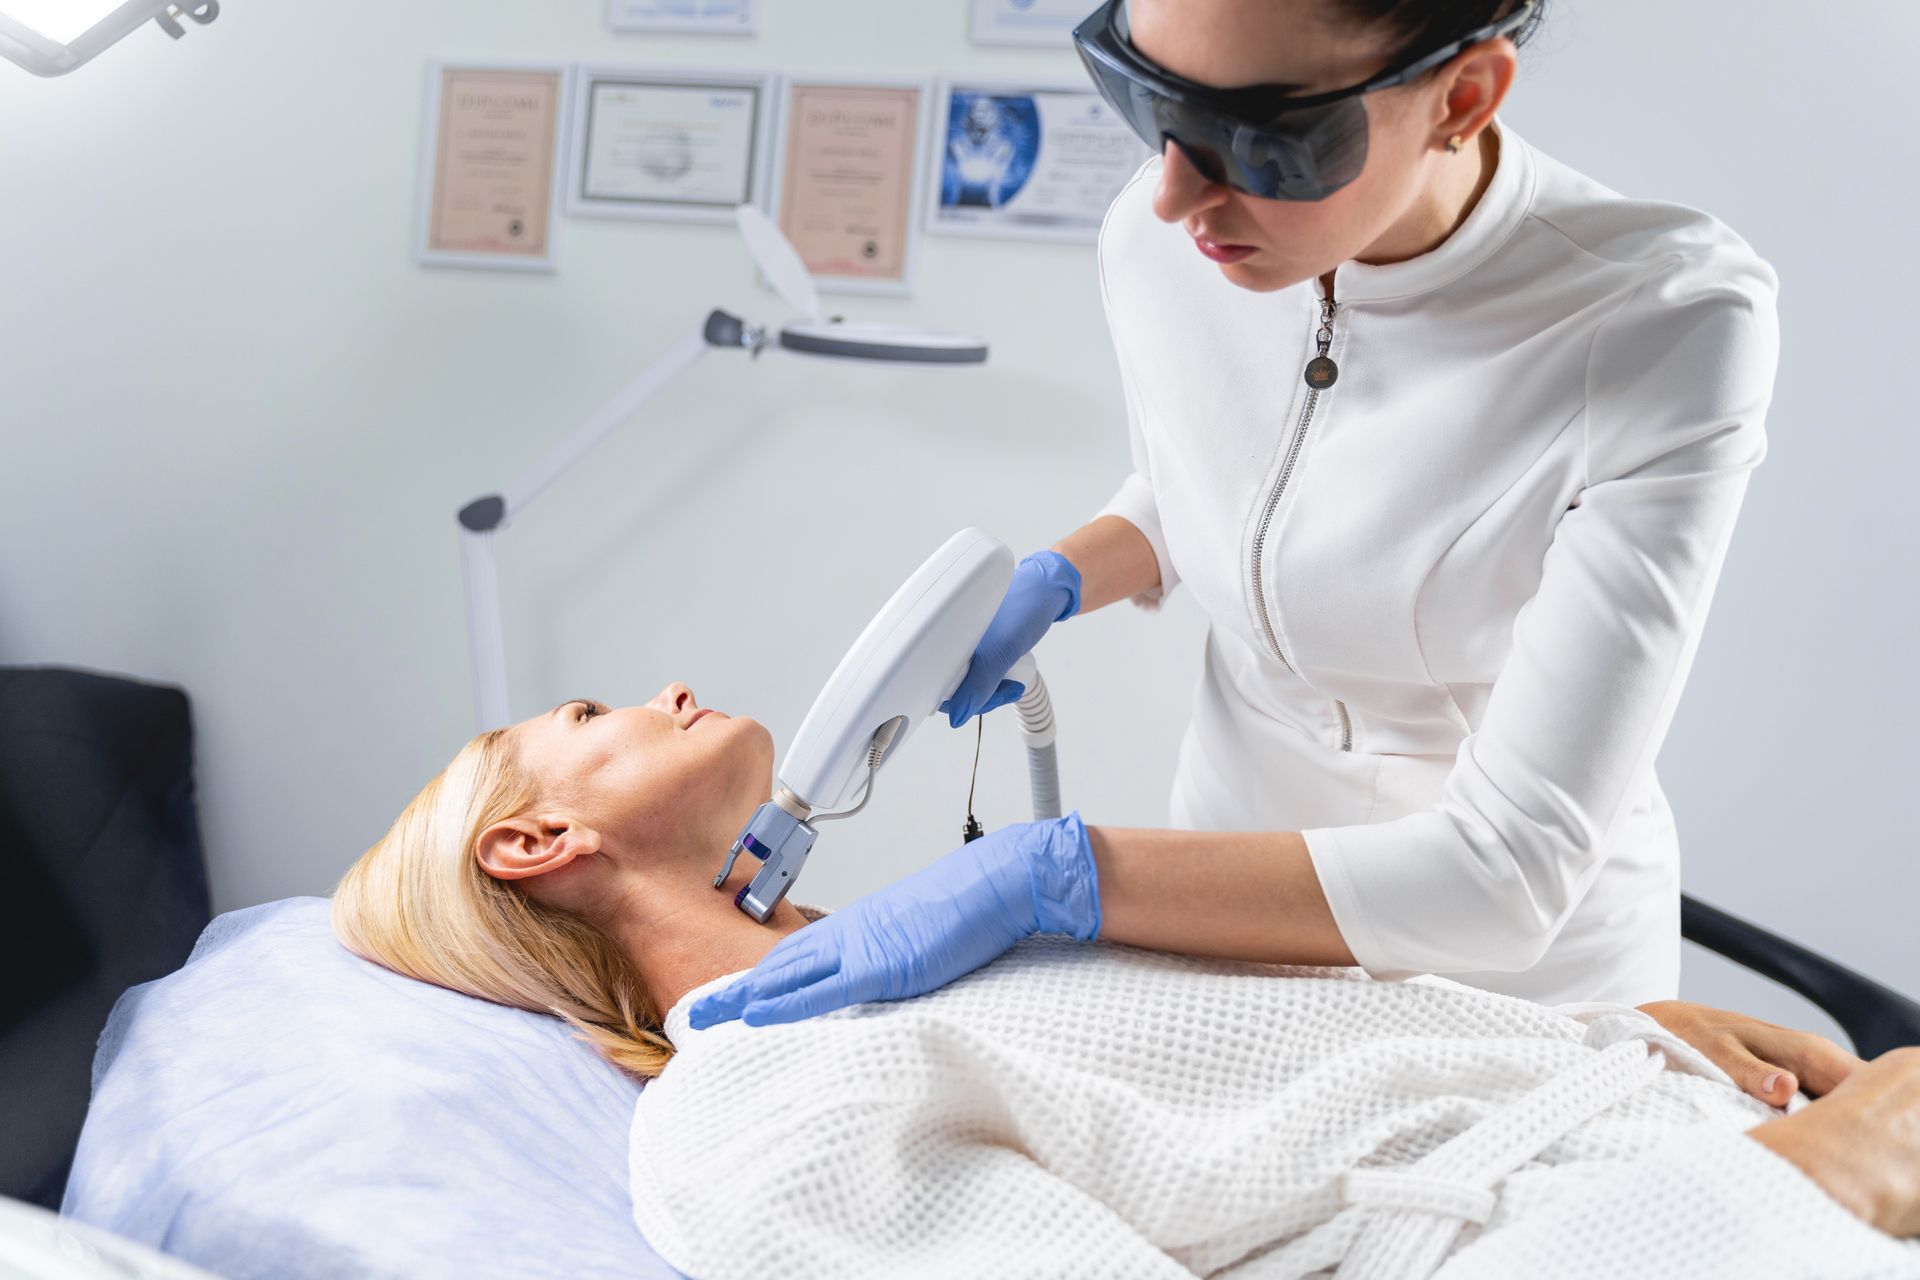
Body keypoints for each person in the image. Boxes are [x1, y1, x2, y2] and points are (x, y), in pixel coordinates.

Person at [692, 0, 1787, 1029]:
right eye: (1147, 102)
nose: (1175, 195)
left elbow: (1506, 873)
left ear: (1462, 98)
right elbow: (1211, 482)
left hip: (1512, 974)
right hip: (1223, 902)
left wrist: (1055, 876)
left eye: (1263, 140)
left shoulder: (1662, 329)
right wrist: (1065, 575)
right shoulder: (1156, 239)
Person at [329, 683, 1920, 1277]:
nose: (665, 690)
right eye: (594, 712)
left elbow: (1287, 1101)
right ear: (534, 843)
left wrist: (1600, 1036)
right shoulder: (753, 1123)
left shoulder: (940, 964)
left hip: (1683, 1130)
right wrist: (1793, 1199)